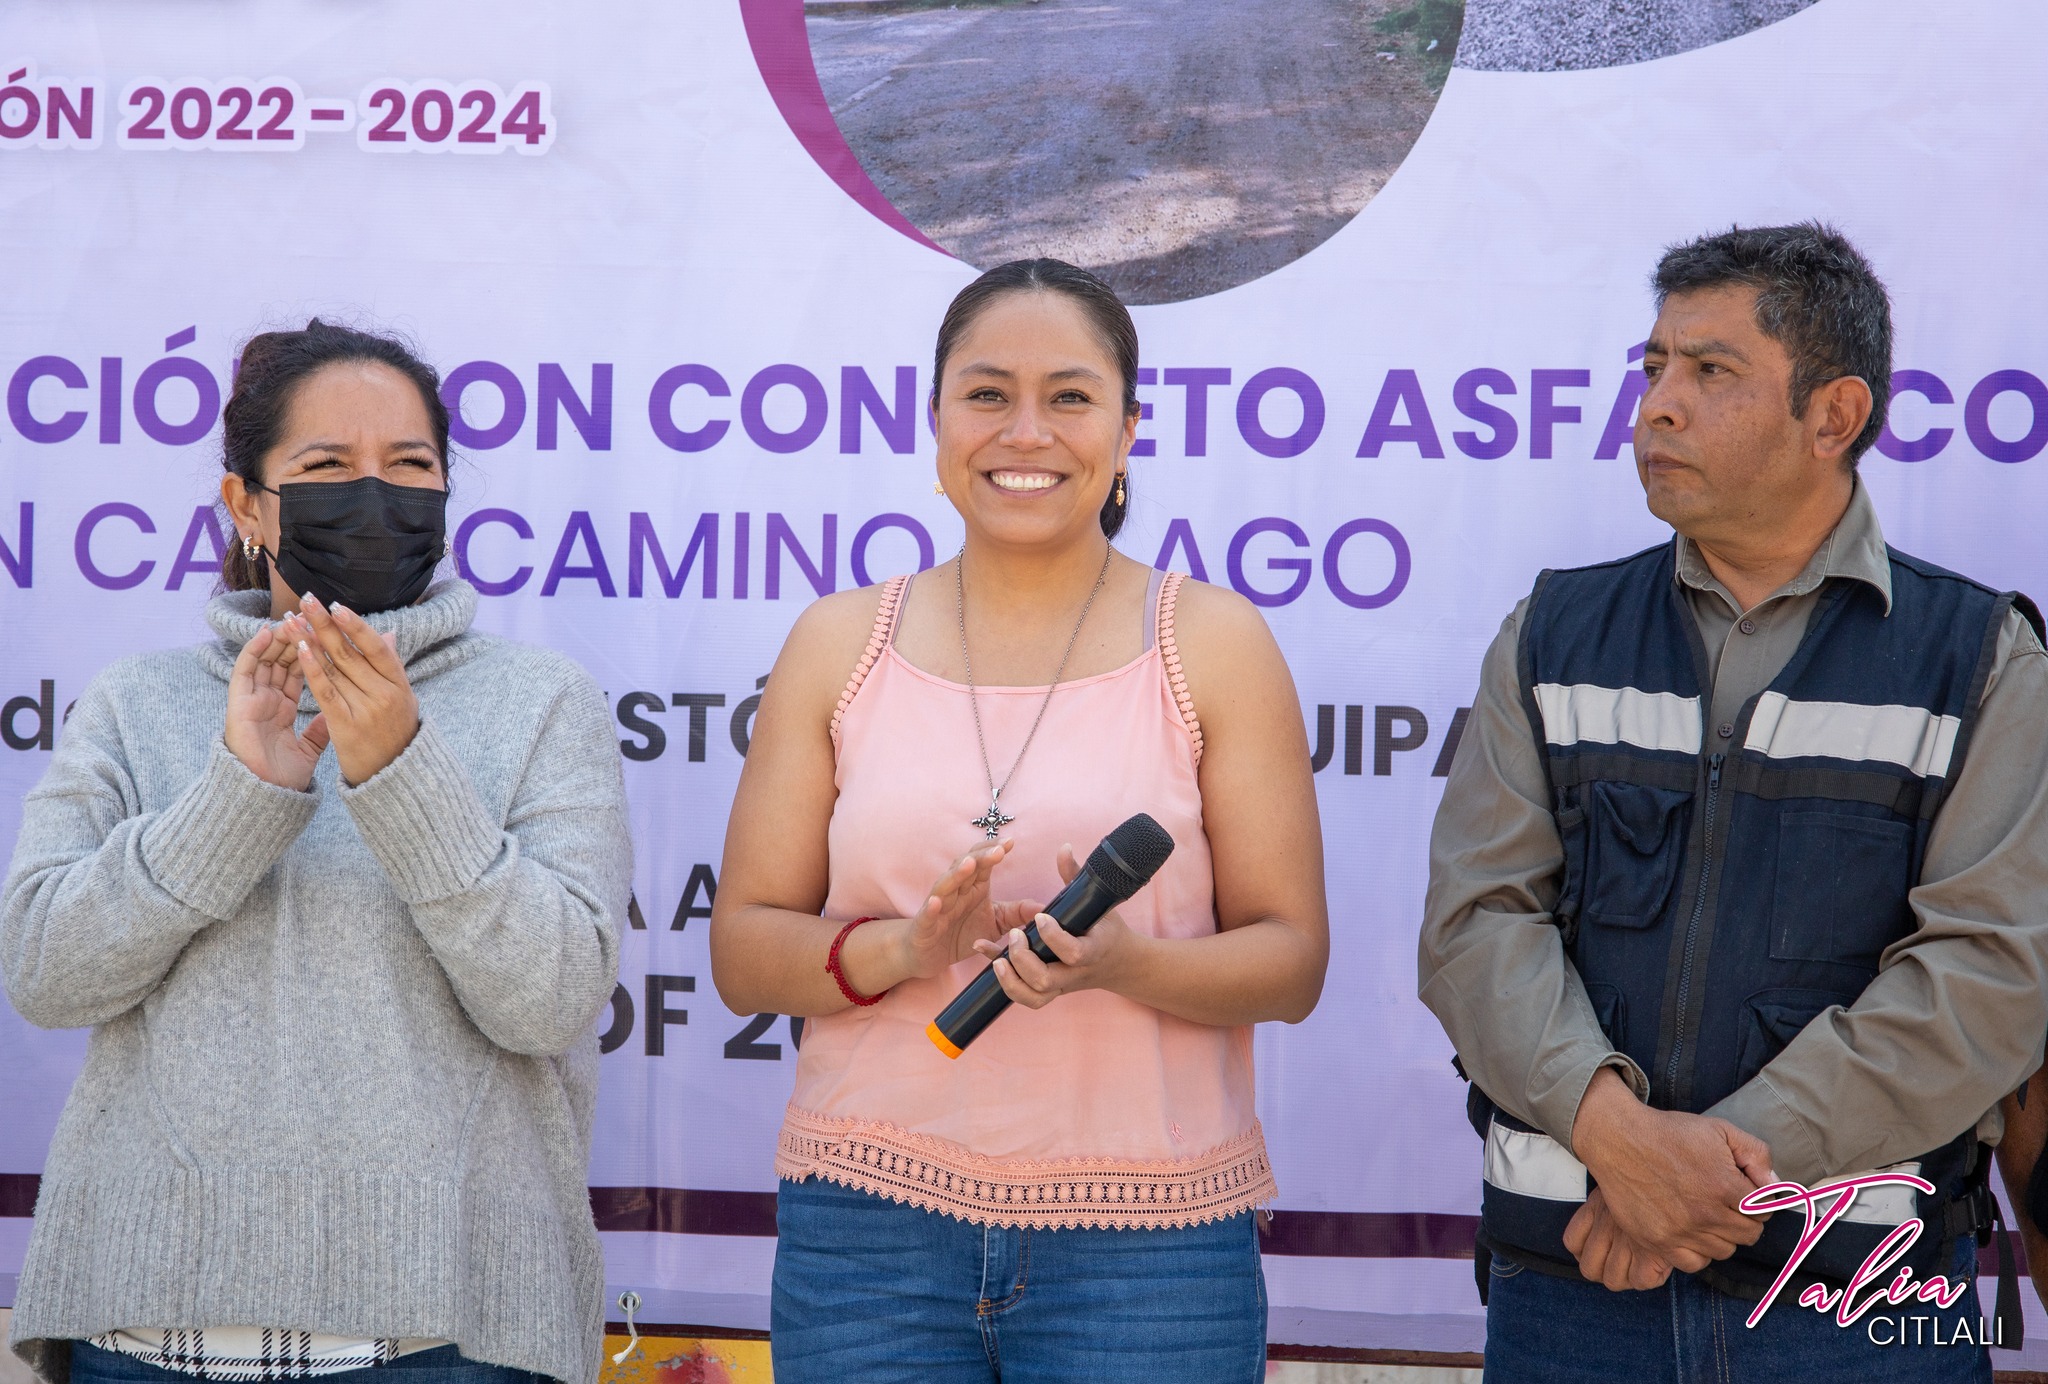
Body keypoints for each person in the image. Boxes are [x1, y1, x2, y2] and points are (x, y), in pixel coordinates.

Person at [1419, 224, 2048, 1381]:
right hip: (1571, 1289)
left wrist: (1703, 1179)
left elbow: (1986, 978)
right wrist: (1616, 1138)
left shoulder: (1980, 658)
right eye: (1650, 366)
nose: (1656, 405)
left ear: (1832, 416)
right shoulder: (1553, 632)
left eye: (1709, 372)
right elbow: (1474, 927)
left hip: (1859, 1309)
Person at [710, 258, 1328, 1382]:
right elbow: (746, 952)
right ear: (935, 418)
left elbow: (1289, 963)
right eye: (987, 394)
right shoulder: (836, 642)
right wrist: (907, 948)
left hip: (1150, 1253)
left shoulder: (1215, 641)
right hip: (868, 1238)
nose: (1025, 431)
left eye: (1071, 396)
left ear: (1131, 426)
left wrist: (1121, 962)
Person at [2, 321, 630, 1384]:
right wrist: (240, 794)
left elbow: (553, 1001)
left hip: (447, 1337)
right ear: (246, 504)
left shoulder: (541, 704)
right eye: (327, 467)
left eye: (410, 466)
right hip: (150, 1333)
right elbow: (45, 972)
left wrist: (402, 774)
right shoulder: (138, 701)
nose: (374, 495)